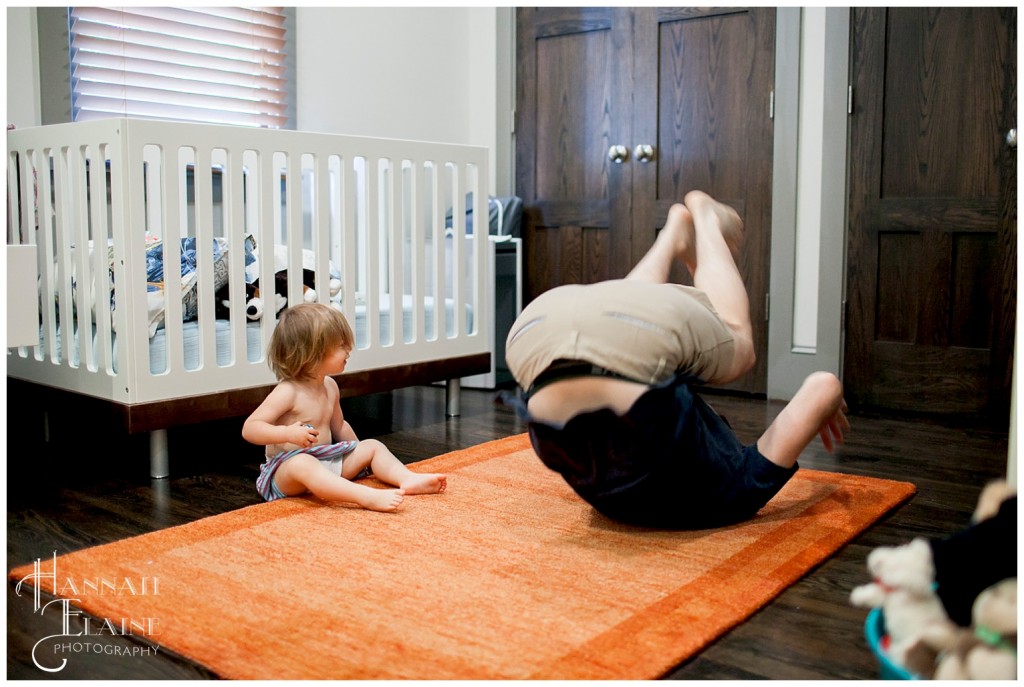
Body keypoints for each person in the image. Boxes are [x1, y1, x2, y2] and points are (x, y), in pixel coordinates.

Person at [503, 190, 849, 529]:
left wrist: (826, 402)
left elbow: (823, 385)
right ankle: (672, 234)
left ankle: (707, 221)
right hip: (534, 337)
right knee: (624, 326)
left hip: (625, 350)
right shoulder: (607, 493)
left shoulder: (733, 493)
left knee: (738, 343)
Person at [243, 303, 447, 512]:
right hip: (287, 472)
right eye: (341, 345)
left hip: (328, 462)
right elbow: (250, 428)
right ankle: (364, 496)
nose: (349, 349)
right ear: (313, 352)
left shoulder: (330, 386)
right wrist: (287, 433)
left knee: (373, 446)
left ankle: (407, 479)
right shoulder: (288, 391)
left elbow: (339, 426)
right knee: (302, 463)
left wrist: (361, 453)